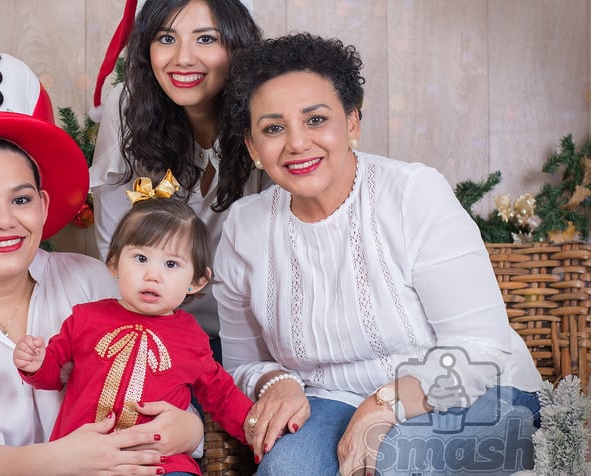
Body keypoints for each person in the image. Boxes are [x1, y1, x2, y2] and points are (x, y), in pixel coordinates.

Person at [214, 33, 543, 475]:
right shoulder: (244, 227)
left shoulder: (412, 194)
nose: (296, 143)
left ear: (352, 122)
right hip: (335, 400)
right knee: (286, 469)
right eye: (273, 128)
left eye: (316, 120)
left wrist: (384, 404)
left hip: (482, 390)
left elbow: (480, 349)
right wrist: (280, 381)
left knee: (395, 460)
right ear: (254, 148)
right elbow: (242, 363)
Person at [0, 47, 203, 476]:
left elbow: (169, 373)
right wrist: (69, 459)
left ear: (44, 204)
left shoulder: (91, 281)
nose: (5, 221)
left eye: (21, 199)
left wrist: (191, 429)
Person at [14, 175, 253, 475]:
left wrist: (256, 431)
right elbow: (54, 375)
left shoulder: (192, 337)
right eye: (140, 258)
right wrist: (36, 364)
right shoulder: (85, 317)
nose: (152, 275)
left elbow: (221, 394)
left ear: (196, 280)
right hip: (87, 459)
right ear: (113, 263)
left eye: (171, 264)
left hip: (160, 463)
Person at [90, 0, 272, 346]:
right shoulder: (128, 106)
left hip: (254, 332)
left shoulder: (267, 111)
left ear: (238, 45)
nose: (183, 58)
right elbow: (113, 238)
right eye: (166, 38)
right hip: (156, 325)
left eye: (206, 39)